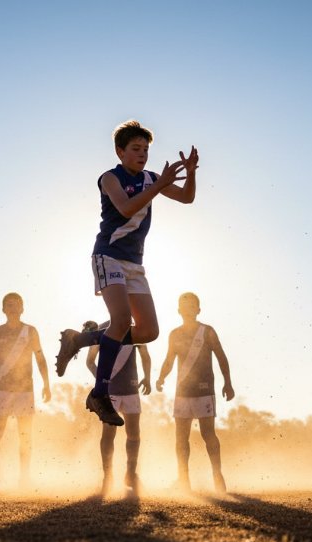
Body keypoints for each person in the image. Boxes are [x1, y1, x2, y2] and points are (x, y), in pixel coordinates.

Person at [54, 119, 198, 427]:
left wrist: (192, 174)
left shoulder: (151, 178)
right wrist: (159, 185)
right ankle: (99, 395)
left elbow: (187, 198)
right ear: (120, 152)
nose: (142, 154)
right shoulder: (110, 178)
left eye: (146, 149)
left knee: (149, 332)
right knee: (120, 321)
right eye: (135, 149)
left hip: (135, 263)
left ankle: (78, 341)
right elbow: (126, 209)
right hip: (109, 256)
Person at [156, 292, 235, 493]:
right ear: (178, 310)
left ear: (198, 310)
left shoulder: (207, 331)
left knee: (208, 434)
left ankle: (217, 475)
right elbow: (168, 360)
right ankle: (183, 480)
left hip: (204, 390)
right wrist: (161, 377)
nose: (188, 309)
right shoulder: (174, 334)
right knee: (181, 438)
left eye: (192, 305)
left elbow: (221, 357)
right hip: (182, 392)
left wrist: (228, 383)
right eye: (184, 305)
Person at [0, 292, 51, 492]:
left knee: (25, 436)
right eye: (8, 304)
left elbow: (40, 358)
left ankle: (24, 479)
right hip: (1, 390)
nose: (12, 307)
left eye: (16, 304)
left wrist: (46, 383)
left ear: (22, 308)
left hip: (25, 390)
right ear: (3, 309)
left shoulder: (31, 331)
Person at [82, 320, 152, 496]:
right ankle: (108, 476)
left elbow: (144, 353)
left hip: (131, 388)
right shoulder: (104, 329)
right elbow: (90, 361)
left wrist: (148, 377)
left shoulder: (137, 330)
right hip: (110, 391)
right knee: (108, 433)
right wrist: (102, 380)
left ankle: (131, 474)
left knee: (134, 433)